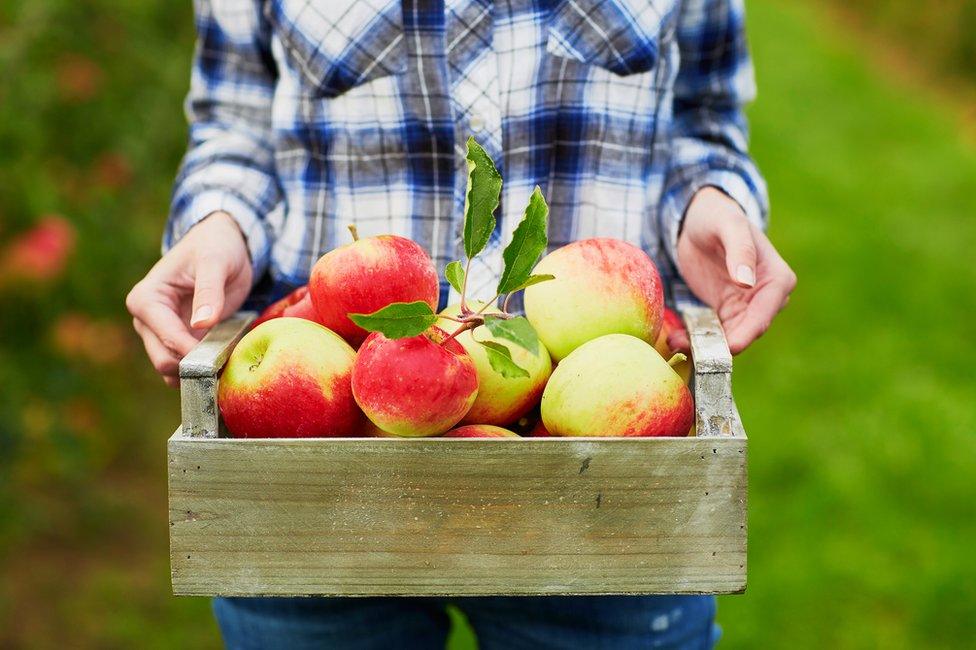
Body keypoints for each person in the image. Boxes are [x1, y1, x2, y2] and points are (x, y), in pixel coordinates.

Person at [127, 1, 795, 647]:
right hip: (315, 471)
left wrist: (708, 198)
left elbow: (702, 112)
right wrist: (221, 221)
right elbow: (235, 124)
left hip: (605, 490)